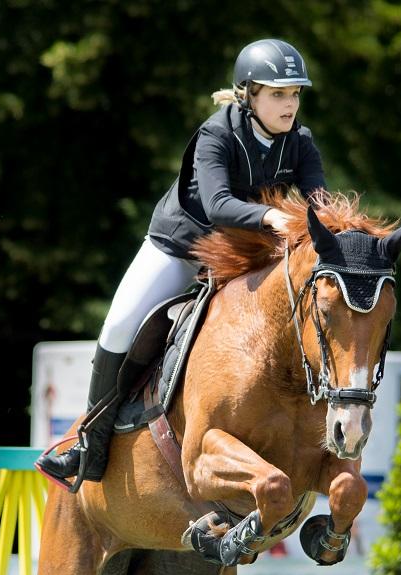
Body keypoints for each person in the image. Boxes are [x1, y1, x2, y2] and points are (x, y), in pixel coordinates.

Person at [37, 39, 327, 487]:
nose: (289, 104)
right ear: (249, 94)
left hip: (244, 258)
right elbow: (217, 206)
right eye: (277, 94)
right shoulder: (217, 134)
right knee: (118, 326)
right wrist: (273, 215)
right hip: (181, 250)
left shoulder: (301, 143)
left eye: (294, 94)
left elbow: (319, 206)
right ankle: (88, 443)